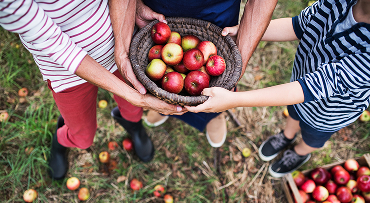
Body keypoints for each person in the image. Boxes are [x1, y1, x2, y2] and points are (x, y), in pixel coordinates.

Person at [0, 0, 185, 180]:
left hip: (118, 41)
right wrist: (133, 96)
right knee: (83, 138)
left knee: (134, 109)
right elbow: (54, 45)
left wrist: (132, 6)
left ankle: (134, 126)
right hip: (65, 71)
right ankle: (61, 138)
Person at [186, 0, 370, 177]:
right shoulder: (340, 2)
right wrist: (242, 31)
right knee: (294, 113)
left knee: (313, 136)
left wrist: (235, 100)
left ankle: (300, 152)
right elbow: (299, 25)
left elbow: (313, 86)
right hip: (298, 85)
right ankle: (287, 135)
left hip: (329, 112)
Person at [135, 0, 278, 148]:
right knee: (165, 90)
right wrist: (136, 4)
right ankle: (165, 110)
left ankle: (214, 116)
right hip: (160, 14)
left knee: (216, 89)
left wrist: (240, 60)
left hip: (217, 13)